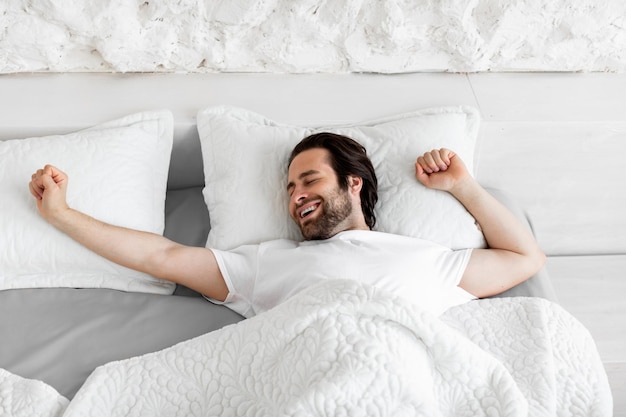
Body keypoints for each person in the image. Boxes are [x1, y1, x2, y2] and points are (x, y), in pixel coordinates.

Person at [29, 132, 545, 318]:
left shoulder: (427, 260)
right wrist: (64, 215)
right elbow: (161, 257)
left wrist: (463, 188)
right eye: (290, 188)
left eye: (310, 180)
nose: (296, 195)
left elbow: (526, 259)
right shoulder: (266, 263)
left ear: (353, 184)